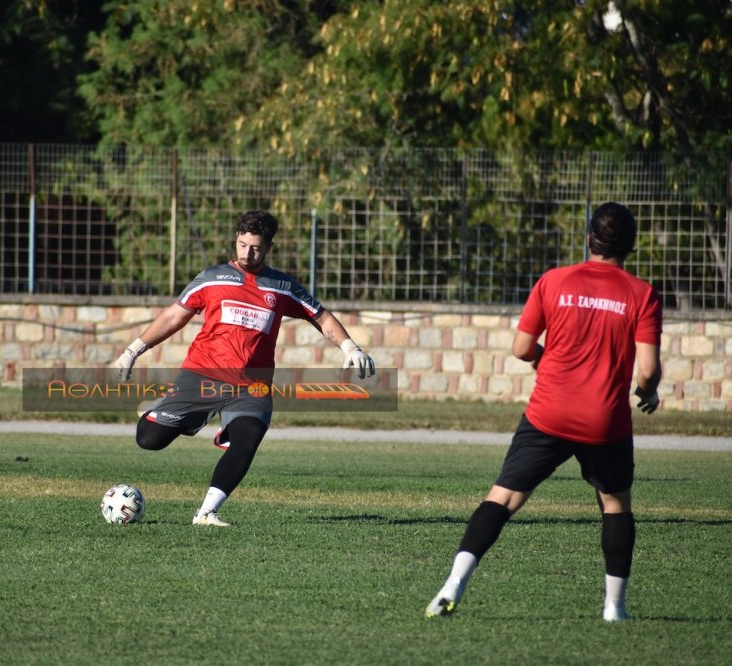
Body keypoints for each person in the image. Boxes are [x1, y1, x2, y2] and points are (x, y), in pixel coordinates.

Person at [425, 202, 663, 622]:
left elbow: (520, 348)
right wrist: (649, 392)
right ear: (631, 245)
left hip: (547, 413)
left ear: (589, 238)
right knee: (615, 506)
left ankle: (451, 586)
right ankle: (614, 608)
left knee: (503, 497)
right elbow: (647, 371)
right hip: (603, 420)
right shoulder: (641, 294)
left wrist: (541, 355)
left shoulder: (554, 281)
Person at [114, 209, 375, 527]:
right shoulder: (212, 278)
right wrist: (133, 350)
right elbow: (173, 316)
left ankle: (207, 512)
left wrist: (349, 346)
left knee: (248, 436)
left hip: (252, 386)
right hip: (201, 375)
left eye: (254, 247)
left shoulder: (282, 286)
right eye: (241, 245)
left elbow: (319, 315)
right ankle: (170, 412)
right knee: (149, 440)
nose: (247, 253)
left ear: (268, 247)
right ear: (235, 241)